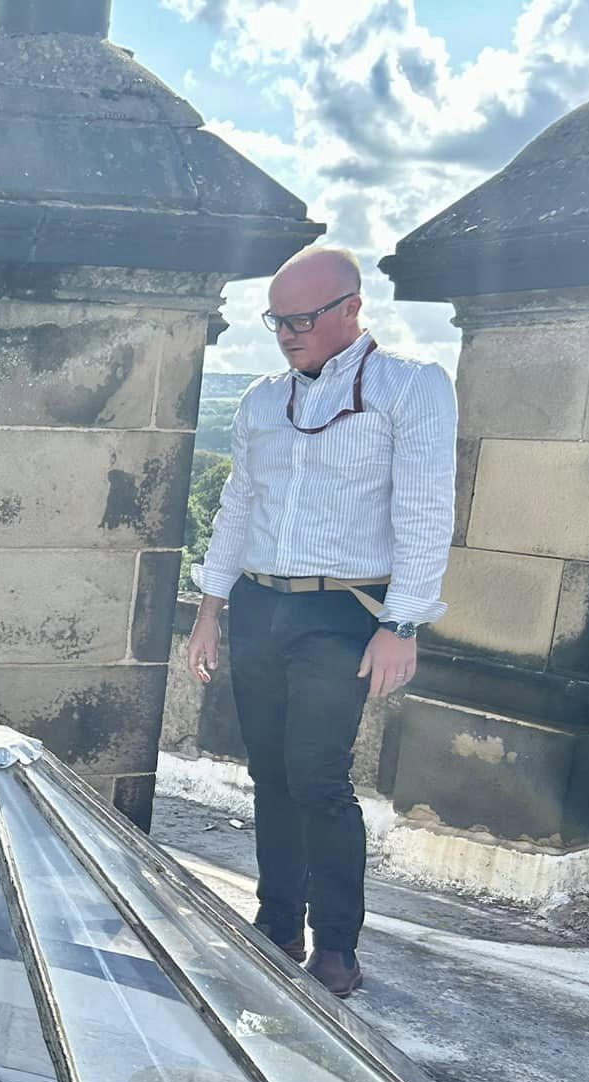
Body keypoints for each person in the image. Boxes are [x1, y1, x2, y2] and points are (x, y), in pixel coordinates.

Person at [185, 246, 456, 999]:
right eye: (278, 320)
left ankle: (337, 947)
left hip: (348, 610)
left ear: (351, 308)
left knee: (317, 777)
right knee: (268, 774)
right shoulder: (262, 400)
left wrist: (402, 624)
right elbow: (238, 506)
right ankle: (277, 926)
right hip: (260, 602)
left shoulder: (410, 388)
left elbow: (427, 511)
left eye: (303, 319)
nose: (287, 334)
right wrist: (209, 611)